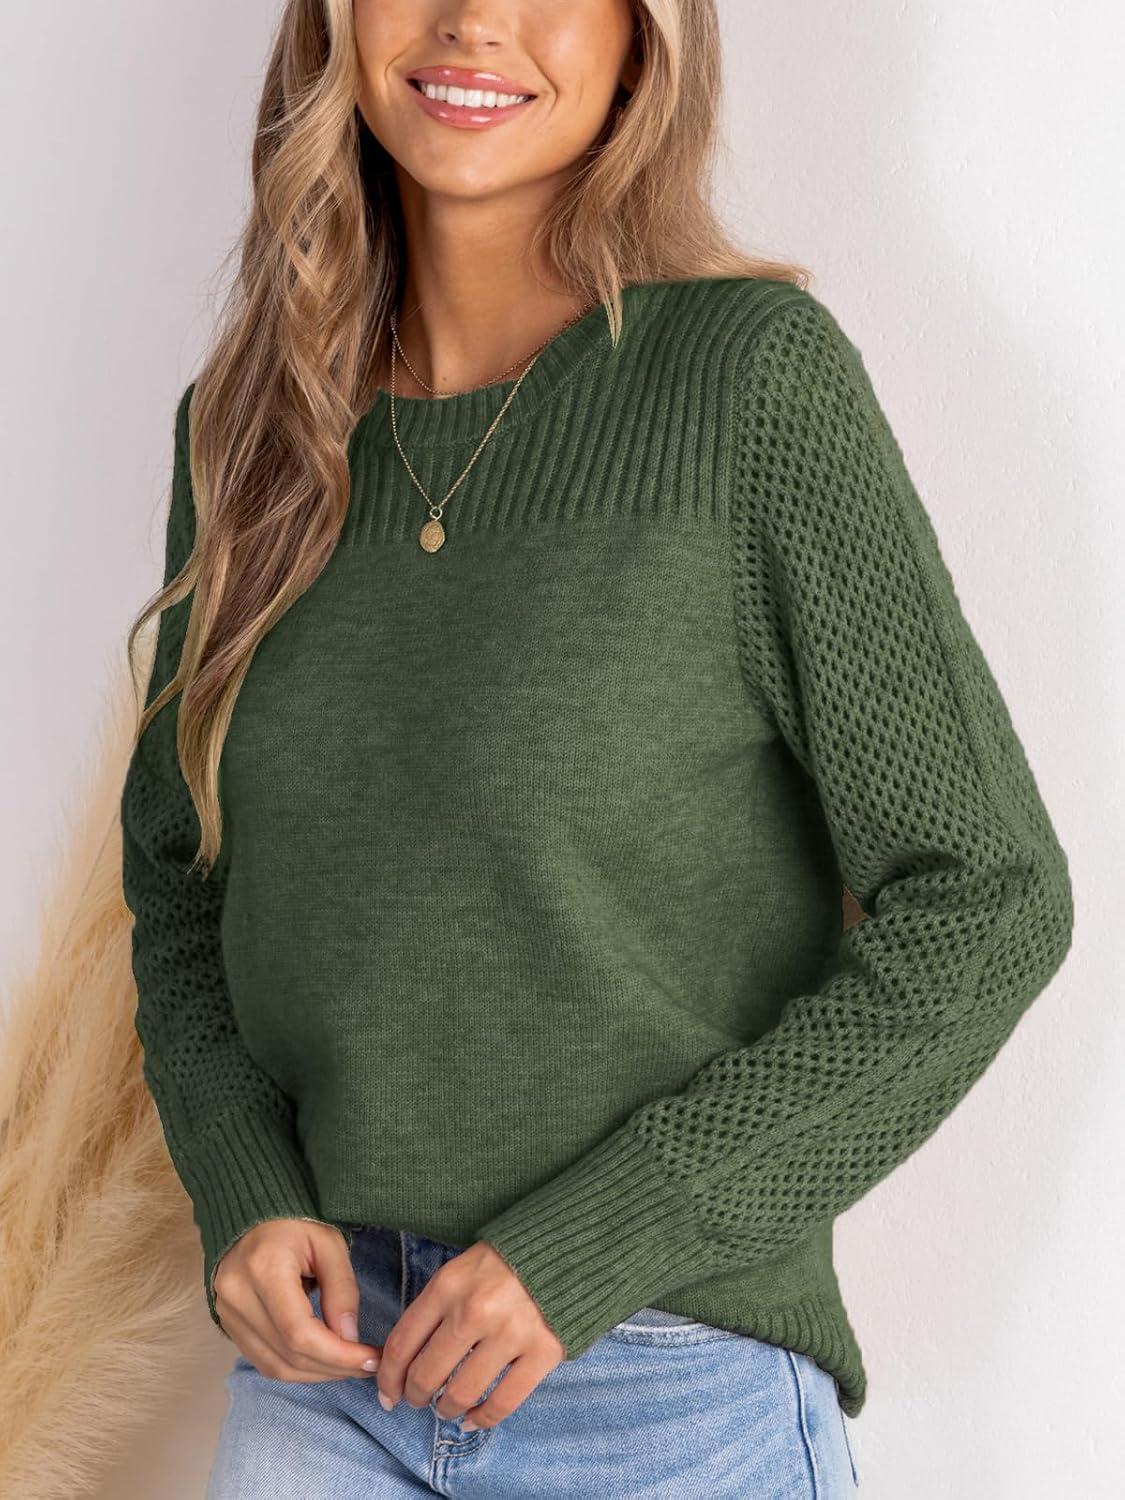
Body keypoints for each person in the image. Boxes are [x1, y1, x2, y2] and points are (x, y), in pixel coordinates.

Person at [119, 2, 1074, 1496]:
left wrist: (604, 1239)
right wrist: (243, 1188)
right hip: (326, 1389)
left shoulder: (748, 385)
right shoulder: (249, 437)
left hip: (662, 1381)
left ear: (644, 39)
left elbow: (989, 900)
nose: (472, 22)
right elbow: (181, 889)